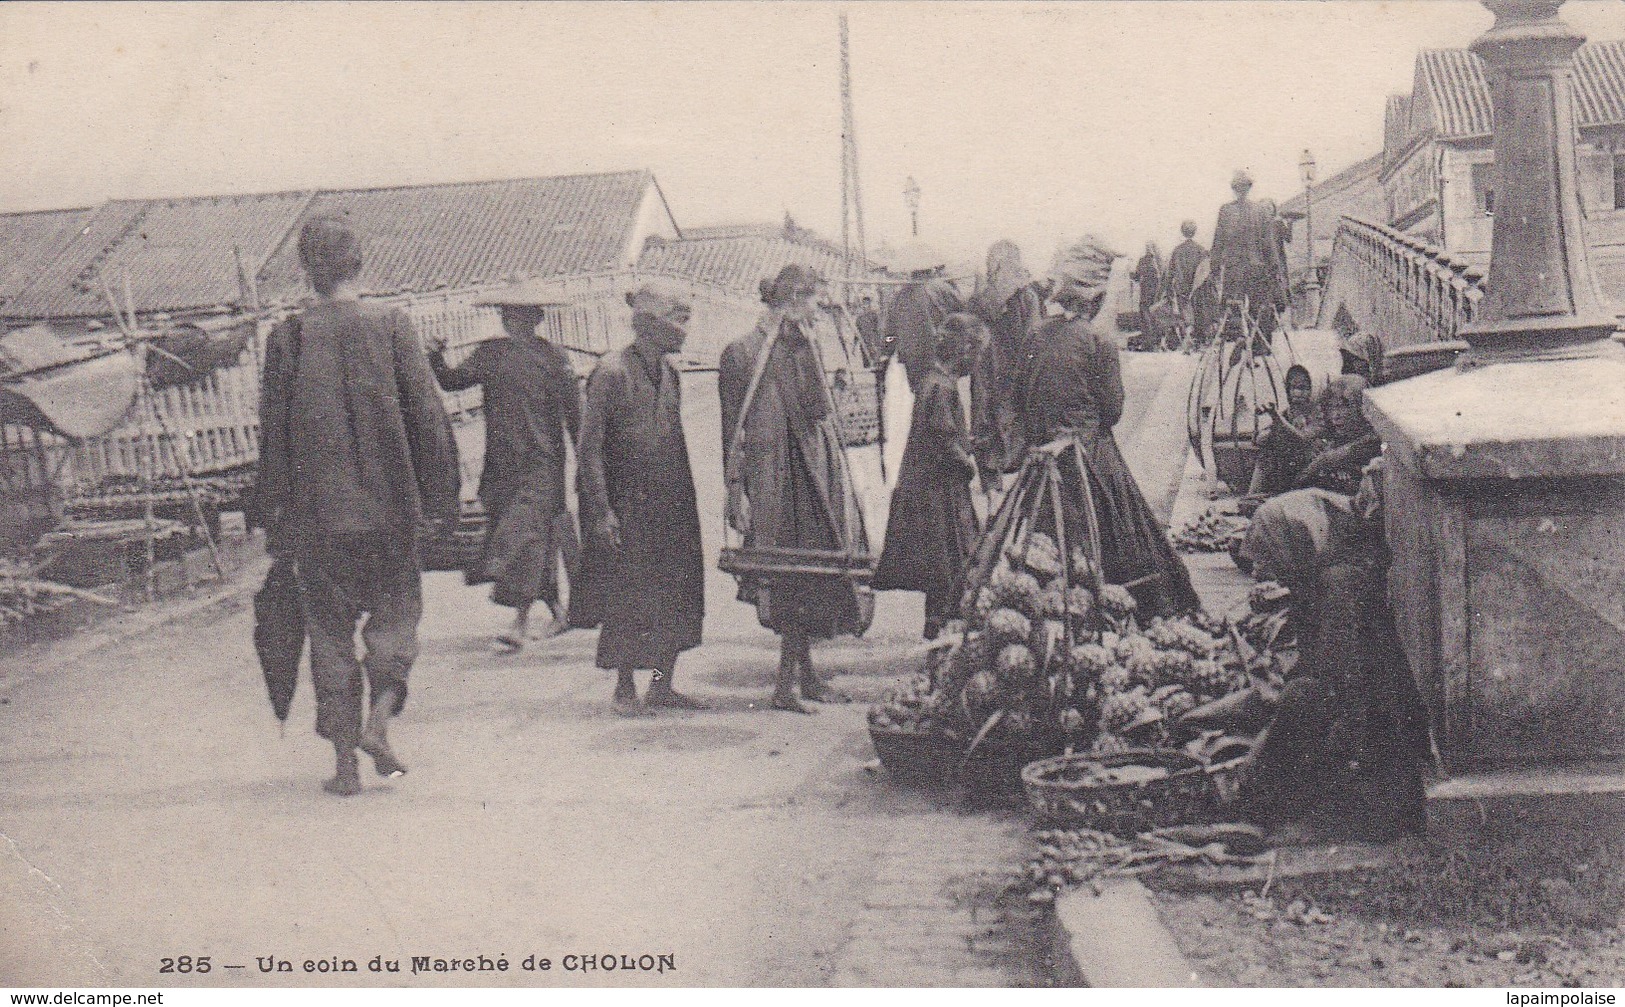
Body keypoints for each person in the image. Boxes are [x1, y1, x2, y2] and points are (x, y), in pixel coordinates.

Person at [256, 215, 459, 797]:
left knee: (328, 633)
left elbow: (273, 438)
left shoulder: (289, 338)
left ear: (307, 268)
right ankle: (378, 723)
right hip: (390, 516)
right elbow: (429, 420)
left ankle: (345, 766)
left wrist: (277, 520)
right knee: (396, 623)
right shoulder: (393, 326)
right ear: (359, 263)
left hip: (319, 520)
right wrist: (441, 501)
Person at [1240, 461, 1430, 841]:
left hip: (1368, 729)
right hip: (1364, 711)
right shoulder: (1336, 566)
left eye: (1271, 560)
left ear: (1295, 544)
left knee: (1300, 700)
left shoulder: (1339, 583)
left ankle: (1300, 807)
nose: (1265, 574)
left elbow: (1339, 673)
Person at [1020, 236, 1201, 618]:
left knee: (1041, 556)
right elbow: (1113, 410)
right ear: (1094, 297)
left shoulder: (1035, 336)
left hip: (1044, 465)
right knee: (1118, 547)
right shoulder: (1098, 341)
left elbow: (1026, 400)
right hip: (1090, 461)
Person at [720, 264, 870, 714]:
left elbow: (817, 410)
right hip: (776, 481)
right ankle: (786, 686)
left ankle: (806, 676)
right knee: (788, 574)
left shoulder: (800, 346)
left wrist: (810, 351)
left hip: (813, 475)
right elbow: (732, 431)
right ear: (791, 300)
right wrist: (733, 491)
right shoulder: (741, 354)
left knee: (815, 570)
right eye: (814, 305)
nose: (819, 315)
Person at [574, 286, 707, 715]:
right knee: (630, 592)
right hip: (628, 500)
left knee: (675, 589)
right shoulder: (611, 372)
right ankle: (625, 687)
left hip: (671, 496)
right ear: (651, 324)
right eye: (678, 321)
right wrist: (601, 510)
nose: (685, 331)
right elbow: (589, 449)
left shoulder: (671, 373)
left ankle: (662, 684)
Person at [426, 298, 580, 652]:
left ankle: (519, 622)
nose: (513, 321)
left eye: (522, 315)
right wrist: (436, 356)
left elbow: (576, 415)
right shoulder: (491, 354)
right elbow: (452, 382)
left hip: (543, 463)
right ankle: (558, 611)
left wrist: (585, 466)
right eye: (508, 315)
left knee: (523, 538)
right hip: (501, 467)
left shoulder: (553, 358)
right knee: (535, 539)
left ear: (537, 318)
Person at [874, 313, 982, 640]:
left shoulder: (934, 382)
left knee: (945, 565)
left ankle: (938, 629)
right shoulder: (941, 387)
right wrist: (967, 462)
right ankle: (938, 633)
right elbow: (943, 440)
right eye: (975, 354)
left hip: (933, 488)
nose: (976, 363)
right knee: (948, 563)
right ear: (962, 351)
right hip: (937, 494)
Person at [970, 239, 1045, 478]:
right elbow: (1034, 334)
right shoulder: (1024, 296)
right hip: (1002, 368)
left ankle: (996, 478)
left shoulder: (990, 296)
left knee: (991, 417)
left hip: (995, 368)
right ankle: (1001, 477)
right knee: (1000, 418)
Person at [1211, 170, 1285, 338]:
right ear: (1249, 188)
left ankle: (1238, 348)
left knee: (1233, 313)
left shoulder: (1226, 211)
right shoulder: (1261, 211)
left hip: (1234, 270)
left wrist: (1215, 269)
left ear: (1234, 189)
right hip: (1256, 269)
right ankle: (1257, 348)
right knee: (1259, 310)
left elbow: (1218, 243)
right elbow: (1269, 247)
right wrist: (1275, 271)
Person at [1239, 364, 1321, 515]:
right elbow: (1260, 439)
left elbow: (1302, 438)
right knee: (1267, 451)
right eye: (1293, 387)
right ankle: (1252, 498)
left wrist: (1276, 418)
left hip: (1309, 471)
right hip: (1286, 468)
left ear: (1311, 390)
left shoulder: (1317, 415)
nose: (1297, 393)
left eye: (1303, 388)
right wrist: (1267, 427)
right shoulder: (1288, 413)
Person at [1296, 374, 1381, 497]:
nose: (1336, 415)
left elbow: (1325, 461)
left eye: (1342, 407)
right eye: (1331, 407)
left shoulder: (1372, 438)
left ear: (1360, 408)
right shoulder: (1339, 437)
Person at [885, 265, 964, 394]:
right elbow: (962, 312)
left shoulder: (900, 295)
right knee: (944, 395)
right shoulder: (941, 288)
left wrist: (886, 352)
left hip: (912, 357)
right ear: (930, 269)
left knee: (921, 396)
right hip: (938, 354)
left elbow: (890, 332)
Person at [1161, 220, 1211, 349]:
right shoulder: (1201, 250)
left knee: (1185, 314)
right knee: (1198, 312)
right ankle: (1197, 342)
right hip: (1196, 288)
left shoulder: (1177, 251)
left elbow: (1170, 273)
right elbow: (1206, 272)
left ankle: (1187, 341)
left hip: (1181, 288)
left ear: (1182, 232)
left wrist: (1167, 290)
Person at [1129, 242, 1165, 349]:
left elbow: (1136, 276)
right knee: (1154, 316)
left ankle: (1148, 342)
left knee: (1145, 317)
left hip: (1145, 293)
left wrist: (1130, 275)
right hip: (1157, 294)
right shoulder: (1159, 261)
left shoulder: (1143, 260)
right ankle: (1156, 342)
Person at [854, 295, 883, 363]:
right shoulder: (859, 317)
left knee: (874, 359)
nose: (865, 305)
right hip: (863, 341)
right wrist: (854, 346)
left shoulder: (873, 315)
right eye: (864, 303)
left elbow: (877, 329)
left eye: (867, 303)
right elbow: (857, 332)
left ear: (869, 304)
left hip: (872, 341)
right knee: (866, 361)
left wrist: (878, 342)